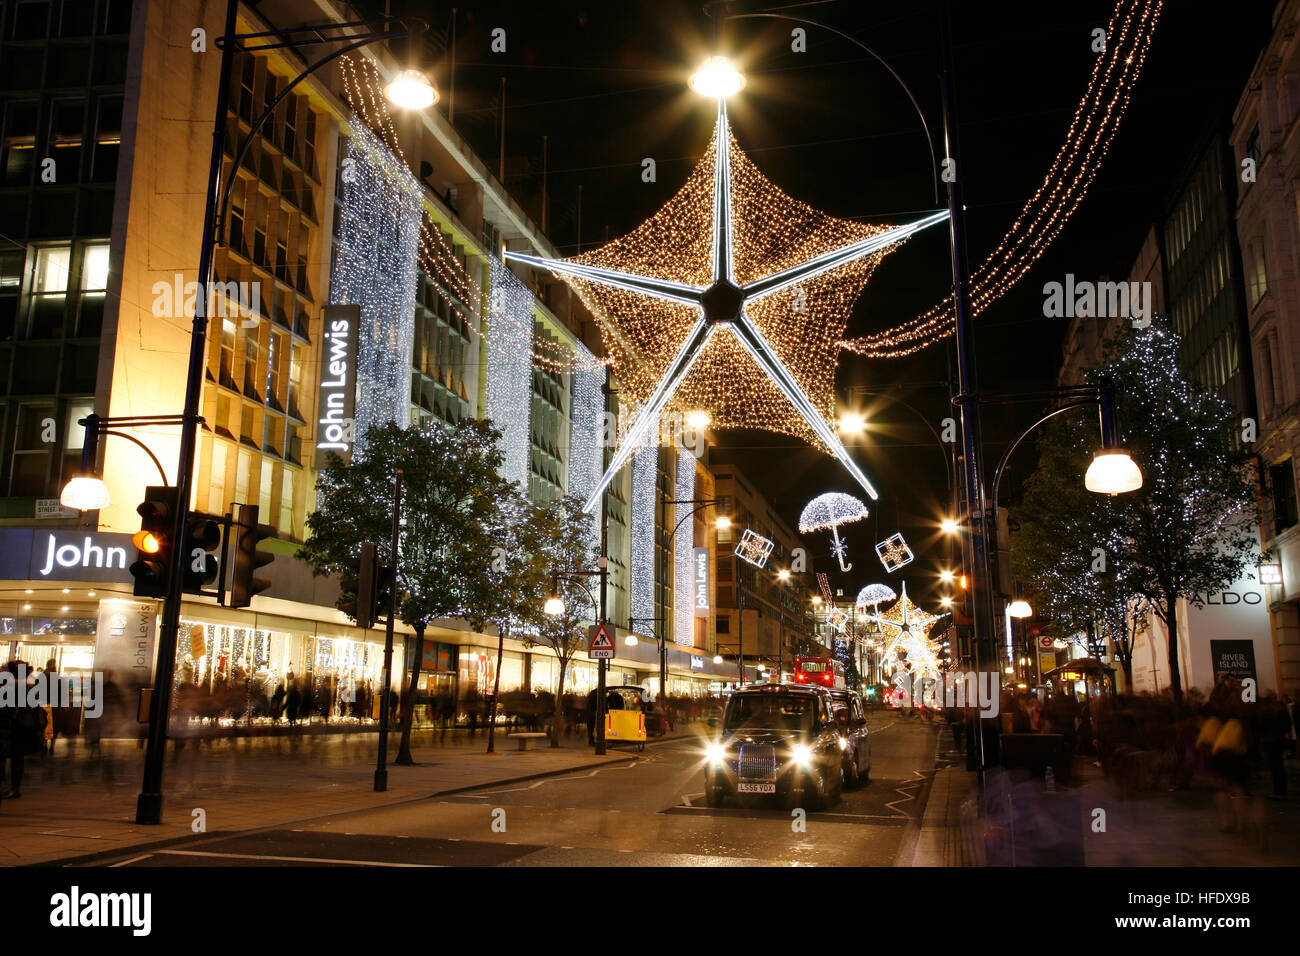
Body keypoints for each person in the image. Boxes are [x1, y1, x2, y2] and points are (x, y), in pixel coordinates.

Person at [0, 661, 47, 799]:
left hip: (15, 728)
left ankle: (9, 787)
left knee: (9, 758)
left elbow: (10, 710)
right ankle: (15, 788)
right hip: (23, 728)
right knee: (17, 759)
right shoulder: (27, 686)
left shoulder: (13, 687)